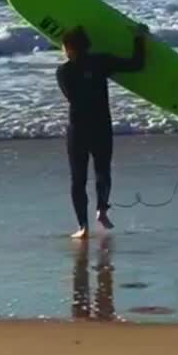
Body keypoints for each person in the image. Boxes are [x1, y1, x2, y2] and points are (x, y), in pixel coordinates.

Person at [56, 23, 148, 239]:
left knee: (78, 179)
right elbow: (137, 64)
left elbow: (71, 96)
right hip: (102, 126)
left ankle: (83, 227)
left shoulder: (63, 71)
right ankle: (102, 211)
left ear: (69, 47)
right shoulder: (102, 61)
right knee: (102, 171)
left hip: (78, 130)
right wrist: (139, 38)